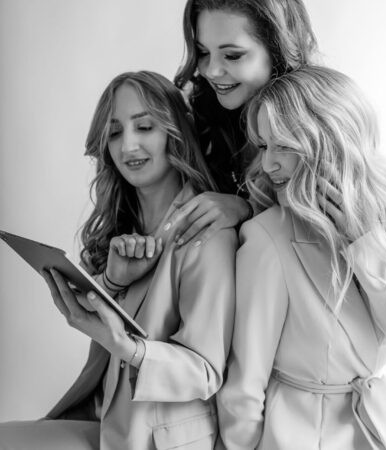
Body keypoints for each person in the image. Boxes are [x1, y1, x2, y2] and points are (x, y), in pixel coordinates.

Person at [0, 71, 237, 450]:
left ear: (175, 132)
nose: (127, 146)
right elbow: (107, 335)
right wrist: (110, 284)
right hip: (104, 420)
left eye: (144, 127)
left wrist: (127, 346)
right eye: (113, 133)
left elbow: (205, 372)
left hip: (157, 440)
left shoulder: (207, 234)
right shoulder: (125, 229)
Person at [216, 66, 386, 449]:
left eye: (284, 146)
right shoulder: (268, 237)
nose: (268, 164)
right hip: (300, 435)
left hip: (377, 421)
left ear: (330, 141)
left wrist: (367, 242)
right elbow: (244, 386)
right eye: (263, 146)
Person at [168, 0, 319, 245]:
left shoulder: (318, 128)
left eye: (232, 55)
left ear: (277, 50)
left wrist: (247, 209)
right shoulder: (205, 111)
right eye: (203, 52)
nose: (212, 71)